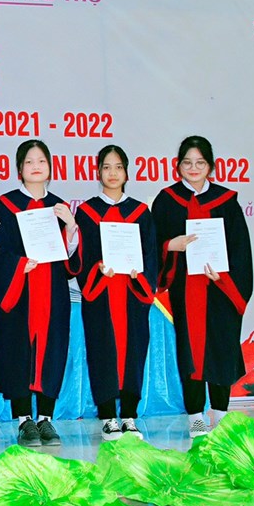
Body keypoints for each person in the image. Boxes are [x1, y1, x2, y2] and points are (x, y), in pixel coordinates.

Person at [151, 135, 253, 438]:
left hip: (221, 287)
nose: (193, 168)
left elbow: (240, 249)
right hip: (186, 289)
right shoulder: (167, 200)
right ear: (178, 166)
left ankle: (221, 414)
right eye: (187, 162)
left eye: (200, 162)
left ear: (210, 166)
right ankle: (195, 416)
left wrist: (224, 277)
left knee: (221, 346)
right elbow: (152, 243)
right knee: (190, 350)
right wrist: (170, 245)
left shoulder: (226, 201)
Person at [0, 140, 77, 447]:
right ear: (19, 169)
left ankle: (46, 419)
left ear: (50, 167)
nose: (36, 166)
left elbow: (71, 262)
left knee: (52, 350)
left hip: (53, 291)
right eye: (29, 161)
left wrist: (71, 228)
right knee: (18, 350)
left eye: (41, 161)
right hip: (20, 291)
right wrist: (18, 264)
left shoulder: (60, 207)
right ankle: (24, 420)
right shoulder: (4, 206)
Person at [69, 145, 157, 441]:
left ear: (126, 172)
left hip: (132, 293)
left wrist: (139, 275)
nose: (113, 173)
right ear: (98, 172)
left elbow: (150, 255)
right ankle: (108, 417)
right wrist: (97, 270)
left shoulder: (141, 213)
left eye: (118, 167)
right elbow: (82, 256)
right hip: (101, 294)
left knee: (134, 351)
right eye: (106, 167)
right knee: (102, 350)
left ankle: (129, 416)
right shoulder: (87, 212)